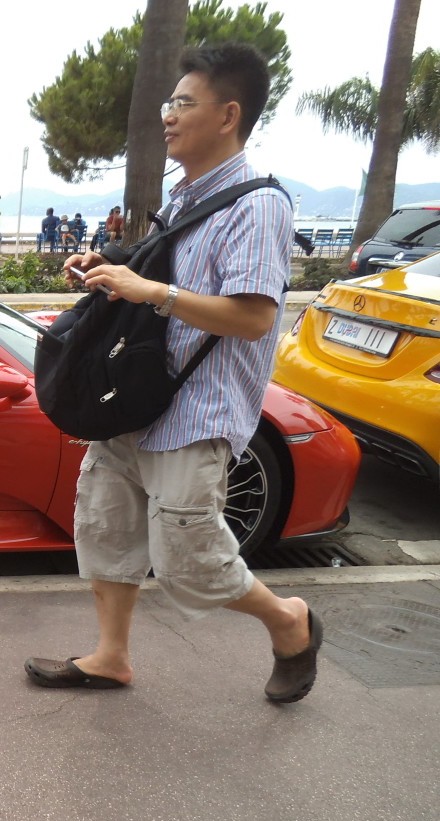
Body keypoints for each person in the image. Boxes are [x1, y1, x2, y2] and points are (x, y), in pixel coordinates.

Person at [24, 43, 318, 705]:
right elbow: (162, 282)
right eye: (169, 102)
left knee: (189, 561)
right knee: (106, 525)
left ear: (228, 114)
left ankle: (288, 620)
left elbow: (250, 318)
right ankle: (111, 657)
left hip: (196, 411)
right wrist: (110, 267)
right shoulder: (185, 199)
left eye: (183, 102)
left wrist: (147, 290)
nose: (168, 114)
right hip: (136, 397)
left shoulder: (258, 207)